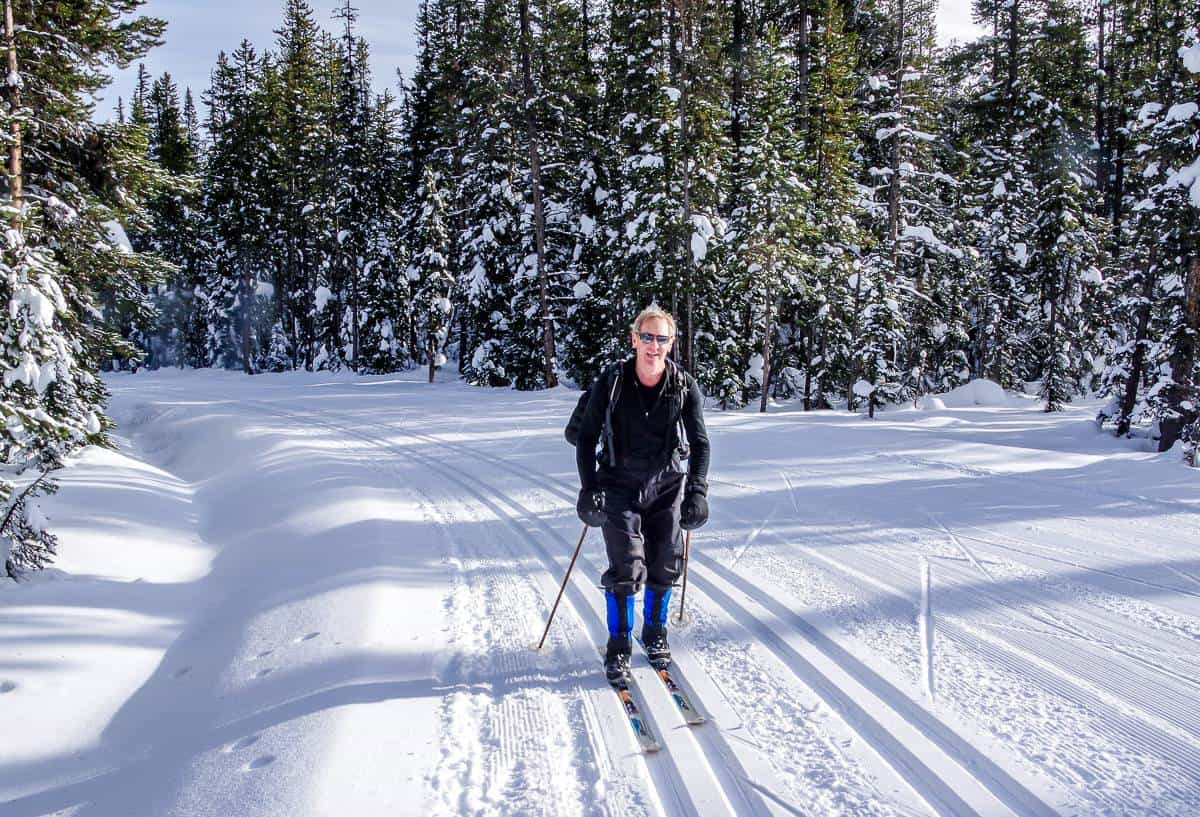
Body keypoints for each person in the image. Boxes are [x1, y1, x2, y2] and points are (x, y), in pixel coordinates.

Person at [574, 305, 710, 683]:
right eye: (646, 337)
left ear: (671, 343)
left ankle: (655, 633)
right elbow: (585, 438)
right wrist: (589, 489)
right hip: (618, 486)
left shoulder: (683, 385)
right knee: (627, 567)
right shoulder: (613, 381)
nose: (653, 345)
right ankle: (619, 644)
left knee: (665, 561)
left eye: (661, 338)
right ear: (634, 339)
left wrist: (696, 490)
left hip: (666, 486)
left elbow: (700, 442)